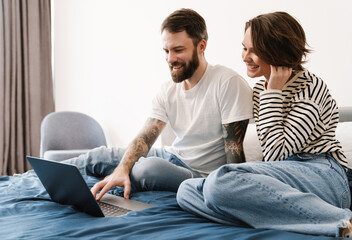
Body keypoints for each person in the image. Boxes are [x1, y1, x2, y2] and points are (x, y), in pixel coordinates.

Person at [176, 11, 352, 238]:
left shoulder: (311, 88)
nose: (245, 57)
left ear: (278, 51)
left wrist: (274, 92)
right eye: (244, 48)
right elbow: (274, 159)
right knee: (186, 191)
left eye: (255, 51)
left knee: (218, 182)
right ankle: (298, 218)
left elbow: (275, 154)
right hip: (283, 177)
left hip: (320, 172)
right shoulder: (260, 91)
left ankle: (347, 219)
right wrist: (269, 91)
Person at [63, 8, 253, 201]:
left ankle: (114, 185)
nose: (170, 59)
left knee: (147, 168)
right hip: (170, 156)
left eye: (178, 50)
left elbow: (234, 155)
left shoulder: (228, 83)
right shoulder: (168, 89)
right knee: (99, 156)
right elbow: (143, 140)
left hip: (198, 174)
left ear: (201, 46)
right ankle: (35, 178)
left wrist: (232, 194)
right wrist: (122, 168)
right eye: (166, 51)